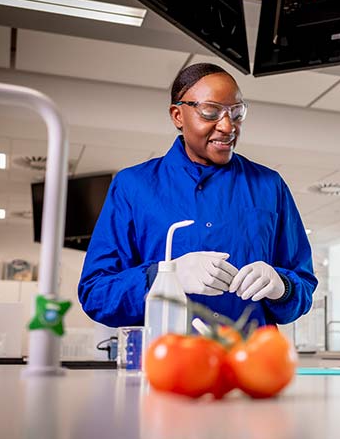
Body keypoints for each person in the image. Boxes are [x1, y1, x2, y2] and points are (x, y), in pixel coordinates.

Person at [78, 63, 317, 329]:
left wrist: (282, 286)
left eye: (236, 113)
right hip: (169, 363)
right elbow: (96, 293)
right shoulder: (133, 186)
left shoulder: (269, 186)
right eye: (211, 112)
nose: (228, 126)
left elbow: (303, 287)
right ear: (178, 115)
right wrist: (166, 276)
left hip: (250, 364)